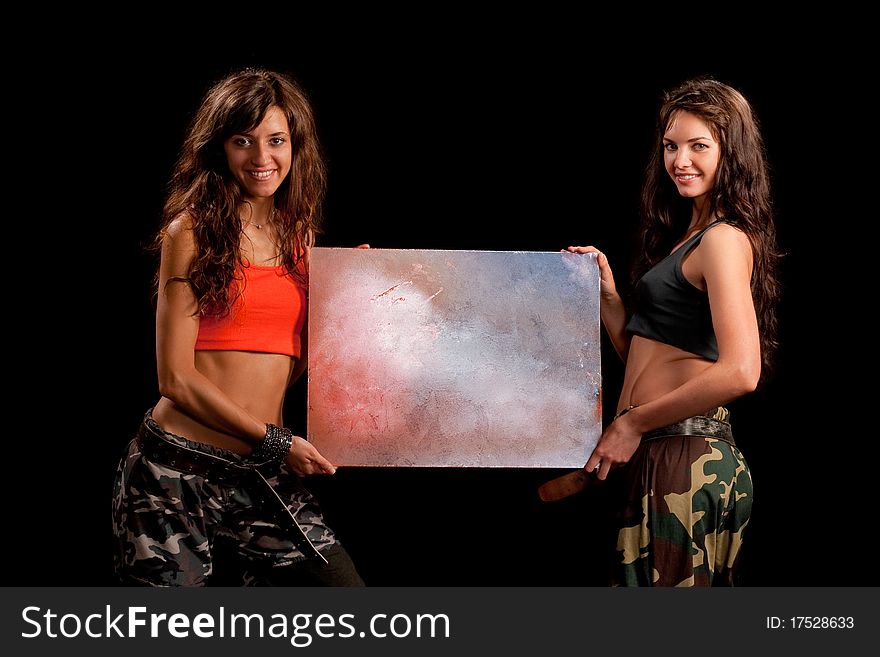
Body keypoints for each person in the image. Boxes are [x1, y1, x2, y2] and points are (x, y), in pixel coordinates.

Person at [112, 67, 364, 586]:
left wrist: (354, 302)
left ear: (296, 146)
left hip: (260, 468)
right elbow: (176, 379)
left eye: (276, 141)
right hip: (172, 470)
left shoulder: (300, 238)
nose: (261, 158)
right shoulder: (193, 231)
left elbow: (284, 367)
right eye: (242, 141)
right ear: (220, 147)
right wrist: (277, 443)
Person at [567, 77, 779, 586]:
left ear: (733, 153)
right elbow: (647, 360)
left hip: (687, 458)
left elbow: (741, 371)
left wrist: (631, 424)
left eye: (699, 146)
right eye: (670, 146)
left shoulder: (723, 239)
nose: (680, 160)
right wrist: (609, 297)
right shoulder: (688, 237)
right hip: (665, 453)